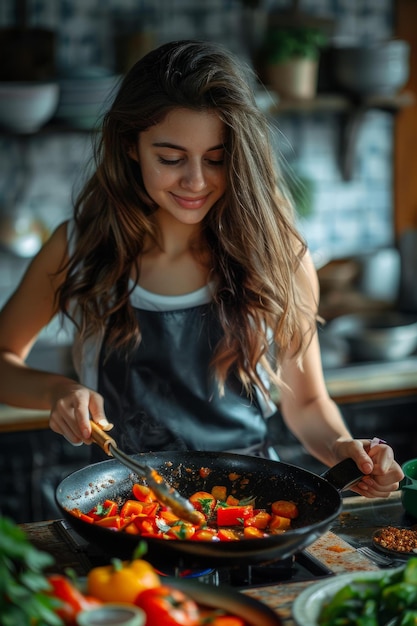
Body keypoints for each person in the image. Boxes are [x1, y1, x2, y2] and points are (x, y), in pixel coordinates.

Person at [0, 40, 403, 498]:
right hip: (125, 510)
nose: (195, 182)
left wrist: (346, 451)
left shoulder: (278, 252)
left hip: (252, 508)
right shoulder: (78, 247)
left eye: (216, 159)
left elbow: (307, 402)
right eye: (170, 159)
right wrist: (55, 391)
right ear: (131, 146)